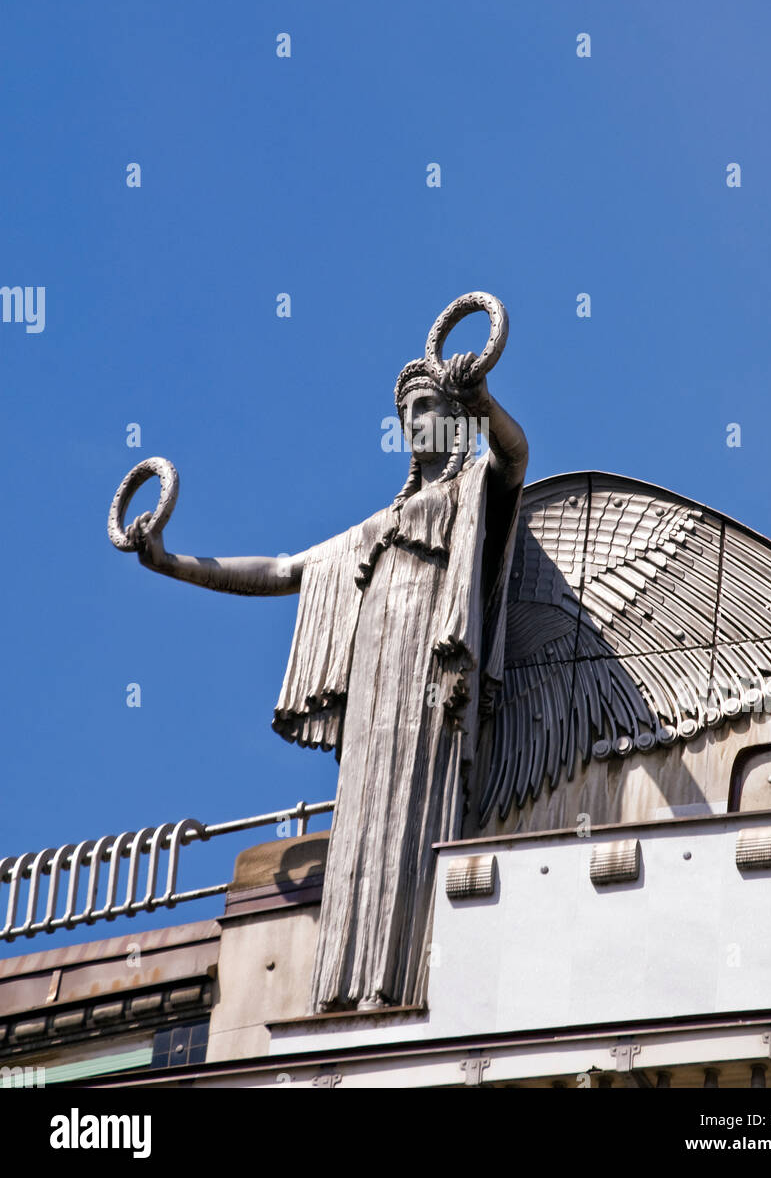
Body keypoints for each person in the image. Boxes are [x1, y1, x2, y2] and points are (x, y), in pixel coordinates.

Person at [133, 350, 527, 1011]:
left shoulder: (473, 494)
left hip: (426, 677)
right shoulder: (373, 529)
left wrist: (487, 401)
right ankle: (346, 987)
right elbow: (281, 570)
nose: (413, 424)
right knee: (362, 823)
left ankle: (402, 985)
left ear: (459, 421)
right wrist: (171, 562)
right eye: (406, 415)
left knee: (411, 810)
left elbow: (516, 457)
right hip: (373, 682)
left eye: (427, 408)